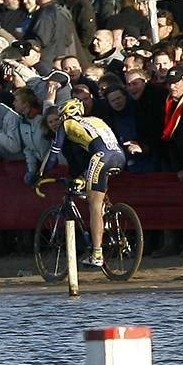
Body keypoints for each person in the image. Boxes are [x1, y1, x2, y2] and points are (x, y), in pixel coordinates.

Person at [40, 97, 139, 268]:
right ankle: (107, 220)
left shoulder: (66, 124)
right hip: (119, 156)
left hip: (102, 157)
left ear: (64, 116)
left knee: (94, 205)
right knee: (96, 195)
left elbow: (54, 156)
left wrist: (40, 174)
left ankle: (97, 254)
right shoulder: (94, 120)